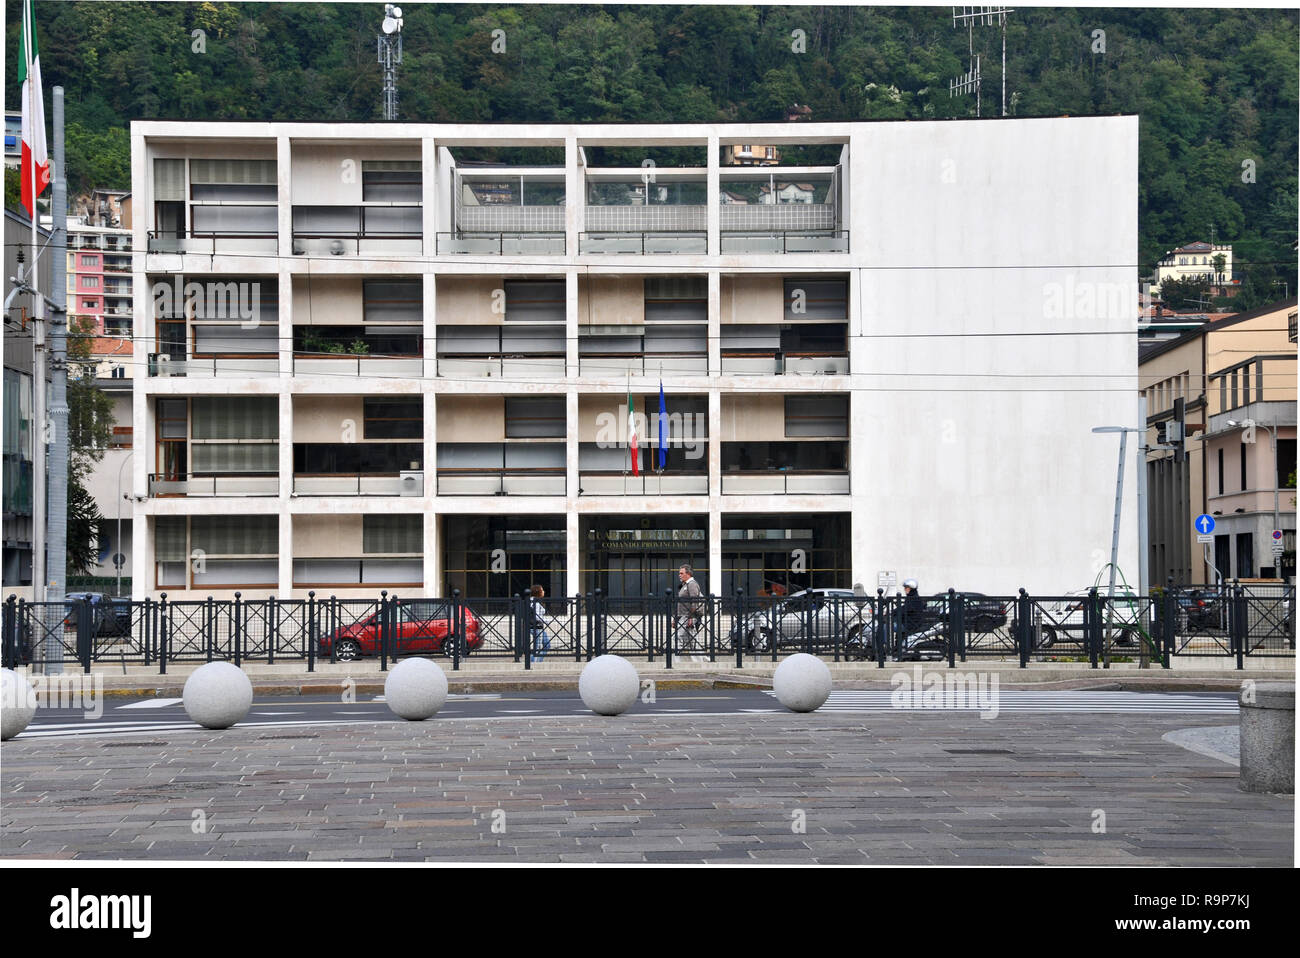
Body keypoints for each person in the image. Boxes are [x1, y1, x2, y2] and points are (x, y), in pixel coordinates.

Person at [676, 565, 705, 652]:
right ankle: (700, 658)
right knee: (691, 639)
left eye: (681, 573)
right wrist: (676, 618)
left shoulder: (692, 584)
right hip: (683, 616)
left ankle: (677, 659)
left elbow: (694, 601)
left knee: (679, 636)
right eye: (679, 573)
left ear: (688, 574)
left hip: (688, 616)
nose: (679, 575)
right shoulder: (685, 585)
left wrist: (691, 618)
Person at [529, 584, 551, 661]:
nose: (544, 592)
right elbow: (537, 616)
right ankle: (534, 662)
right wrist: (547, 622)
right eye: (542, 590)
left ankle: (536, 661)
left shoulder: (531, 600)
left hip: (534, 626)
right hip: (537, 626)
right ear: (538, 592)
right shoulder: (536, 603)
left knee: (545, 644)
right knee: (539, 646)